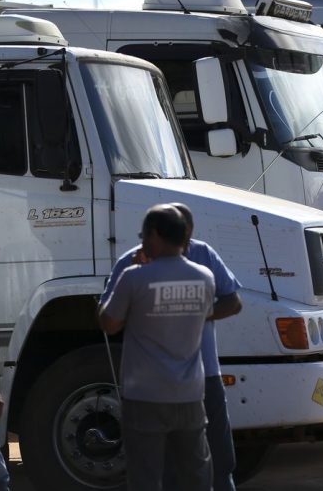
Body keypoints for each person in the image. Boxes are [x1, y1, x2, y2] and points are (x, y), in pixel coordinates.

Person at [102, 203, 243, 491]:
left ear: (155, 234)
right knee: (193, 471)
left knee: (160, 471)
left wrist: (170, 310)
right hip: (187, 389)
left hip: (163, 388)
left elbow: (109, 321)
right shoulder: (202, 275)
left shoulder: (136, 272)